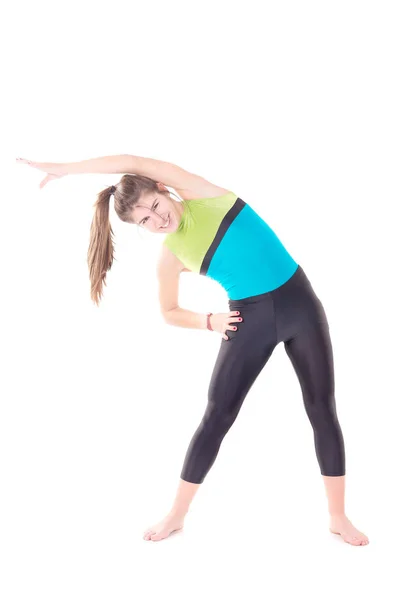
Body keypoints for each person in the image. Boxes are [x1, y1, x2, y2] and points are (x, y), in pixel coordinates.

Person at [16, 154, 369, 546]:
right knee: (217, 416)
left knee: (322, 407)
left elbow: (131, 159)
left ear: (162, 188)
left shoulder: (201, 193)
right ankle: (177, 515)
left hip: (302, 307)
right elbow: (168, 311)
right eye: (145, 221)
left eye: (154, 205)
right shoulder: (172, 255)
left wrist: (68, 169)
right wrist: (209, 321)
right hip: (248, 321)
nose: (157, 219)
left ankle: (338, 517)